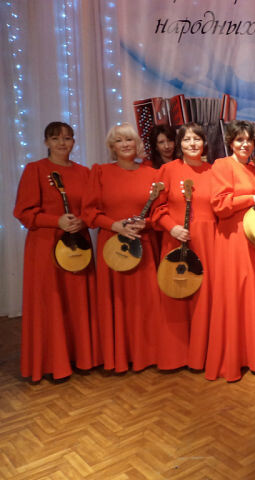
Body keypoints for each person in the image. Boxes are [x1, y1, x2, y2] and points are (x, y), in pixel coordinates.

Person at [14, 121, 98, 381]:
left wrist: (83, 221)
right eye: (55, 138)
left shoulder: (85, 172)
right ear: (46, 142)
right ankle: (53, 364)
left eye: (67, 138)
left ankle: (82, 358)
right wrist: (56, 221)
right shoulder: (35, 170)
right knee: (51, 302)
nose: (62, 143)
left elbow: (92, 209)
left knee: (77, 301)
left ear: (74, 141)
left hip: (78, 245)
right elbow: (23, 212)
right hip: (45, 246)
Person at [82, 122, 165, 372]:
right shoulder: (100, 172)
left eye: (129, 139)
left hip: (143, 243)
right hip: (112, 245)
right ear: (112, 147)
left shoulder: (152, 174)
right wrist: (114, 225)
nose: (125, 144)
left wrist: (146, 223)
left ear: (136, 144)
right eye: (119, 140)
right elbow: (89, 212)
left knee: (145, 301)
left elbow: (160, 211)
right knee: (115, 301)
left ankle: (146, 355)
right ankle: (117, 356)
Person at [205, 120, 255, 381]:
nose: (245, 144)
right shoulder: (222, 165)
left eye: (249, 140)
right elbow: (220, 205)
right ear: (230, 142)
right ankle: (234, 358)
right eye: (239, 140)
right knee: (235, 296)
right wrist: (251, 198)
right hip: (233, 240)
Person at [151, 122, 216, 370]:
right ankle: (175, 356)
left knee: (203, 298)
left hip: (208, 242)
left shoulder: (213, 170)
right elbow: (156, 208)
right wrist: (171, 227)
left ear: (204, 143)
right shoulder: (168, 170)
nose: (192, 144)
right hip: (176, 238)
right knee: (175, 296)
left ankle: (202, 355)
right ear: (179, 144)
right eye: (187, 139)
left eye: (197, 139)